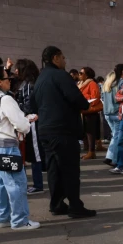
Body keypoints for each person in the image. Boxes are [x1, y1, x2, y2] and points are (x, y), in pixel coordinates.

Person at [30, 45, 95, 218]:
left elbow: (32, 105)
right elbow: (79, 100)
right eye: (63, 57)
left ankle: (57, 204)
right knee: (70, 169)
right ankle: (75, 205)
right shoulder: (61, 76)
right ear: (55, 58)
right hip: (63, 130)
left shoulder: (40, 78)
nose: (65, 61)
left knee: (54, 169)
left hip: (45, 129)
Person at [0, 65, 40, 230]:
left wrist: (23, 119)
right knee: (16, 183)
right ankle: (19, 220)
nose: (10, 81)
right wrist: (27, 121)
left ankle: (1, 217)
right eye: (7, 78)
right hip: (5, 145)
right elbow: (22, 125)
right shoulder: (5, 99)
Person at [15, 59, 45, 194]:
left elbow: (27, 104)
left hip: (31, 120)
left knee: (35, 153)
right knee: (34, 153)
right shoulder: (32, 82)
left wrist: (17, 109)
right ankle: (37, 183)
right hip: (32, 119)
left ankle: (38, 185)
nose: (16, 71)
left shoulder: (27, 85)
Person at [101, 64, 123, 167]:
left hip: (107, 113)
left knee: (115, 136)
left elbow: (102, 97)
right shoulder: (122, 83)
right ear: (122, 72)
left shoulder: (108, 82)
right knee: (117, 137)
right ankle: (114, 159)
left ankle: (110, 157)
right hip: (117, 112)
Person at [77, 67, 102, 160]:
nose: (79, 75)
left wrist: (84, 100)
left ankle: (91, 151)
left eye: (81, 73)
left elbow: (95, 97)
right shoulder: (80, 84)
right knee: (85, 130)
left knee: (90, 131)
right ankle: (87, 149)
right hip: (82, 110)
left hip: (89, 110)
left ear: (87, 75)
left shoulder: (92, 83)